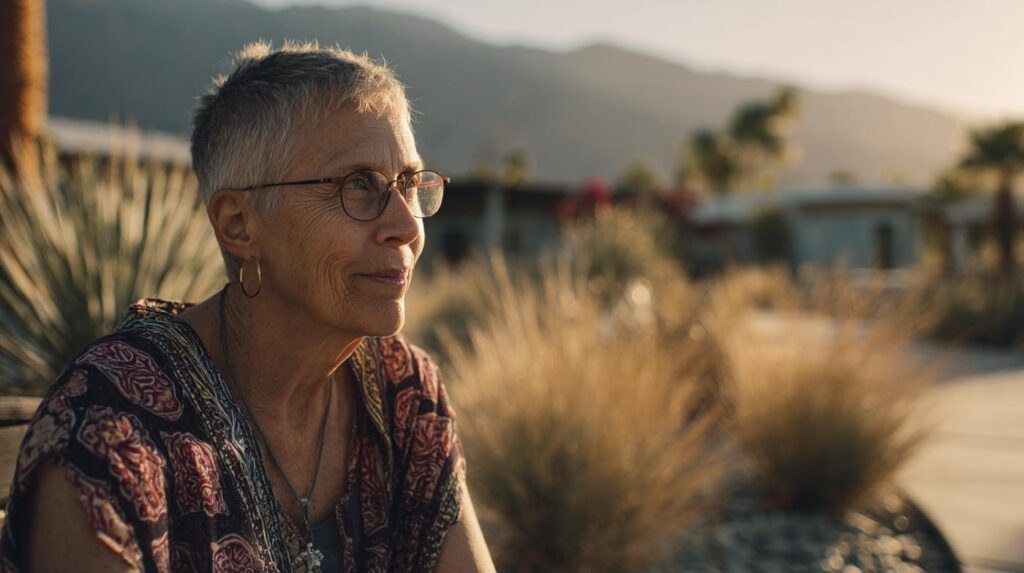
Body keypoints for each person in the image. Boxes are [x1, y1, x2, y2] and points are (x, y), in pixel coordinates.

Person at [0, 41, 495, 573]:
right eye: (359, 185)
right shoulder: (113, 438)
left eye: (408, 183)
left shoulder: (405, 391)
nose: (405, 226)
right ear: (238, 224)